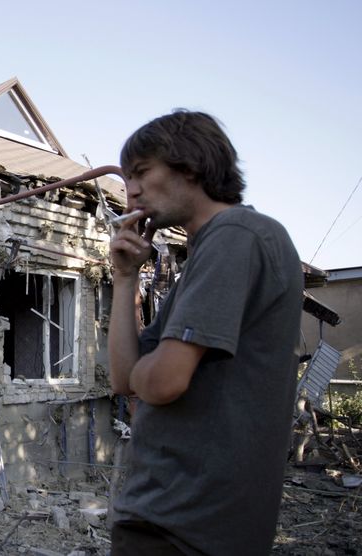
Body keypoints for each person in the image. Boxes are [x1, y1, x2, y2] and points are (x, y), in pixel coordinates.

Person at [107, 110, 303, 555]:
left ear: (189, 165)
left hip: (186, 524)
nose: (130, 189)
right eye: (125, 177)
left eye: (140, 172)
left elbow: (161, 382)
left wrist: (147, 375)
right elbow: (123, 379)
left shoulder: (236, 235)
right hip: (171, 515)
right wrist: (123, 279)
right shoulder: (204, 256)